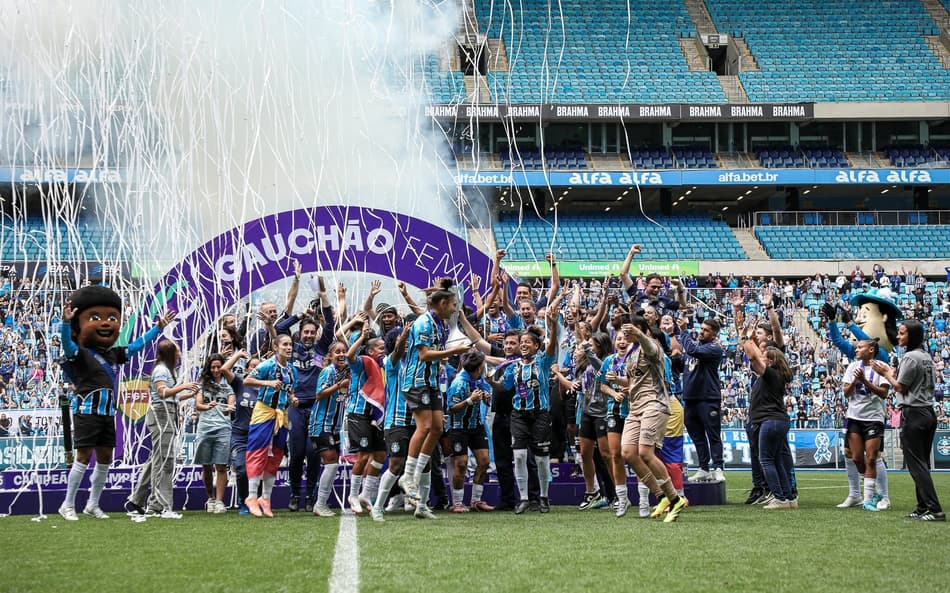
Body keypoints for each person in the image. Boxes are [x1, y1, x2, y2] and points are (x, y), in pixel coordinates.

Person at [57, 285, 174, 521]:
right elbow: (67, 345)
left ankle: (93, 504)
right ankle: (67, 505)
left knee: (105, 458)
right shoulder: (79, 353)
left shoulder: (113, 354)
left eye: (112, 318)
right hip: (86, 411)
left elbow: (137, 346)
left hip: (107, 412)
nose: (106, 324)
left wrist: (157, 329)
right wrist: (65, 323)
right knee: (83, 457)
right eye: (96, 318)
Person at [399, 279, 471, 506]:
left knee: (438, 428)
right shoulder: (424, 323)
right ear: (441, 304)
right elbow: (424, 354)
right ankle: (408, 476)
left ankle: (415, 474)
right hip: (416, 381)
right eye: (452, 305)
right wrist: (454, 350)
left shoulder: (438, 322)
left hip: (431, 382)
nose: (454, 309)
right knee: (426, 427)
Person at [614, 317, 687, 523]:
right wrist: (616, 380)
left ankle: (676, 498)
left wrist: (639, 334)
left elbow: (648, 345)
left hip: (654, 403)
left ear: (643, 330)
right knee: (627, 453)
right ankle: (661, 495)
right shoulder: (629, 355)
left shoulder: (651, 346)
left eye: (634, 330)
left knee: (645, 452)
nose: (627, 334)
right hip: (635, 408)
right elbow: (632, 381)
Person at [493, 297, 561, 514]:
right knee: (519, 456)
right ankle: (523, 498)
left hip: (540, 414)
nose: (522, 346)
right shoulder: (513, 367)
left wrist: (552, 324)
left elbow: (552, 346)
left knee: (541, 459)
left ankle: (543, 497)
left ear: (536, 346)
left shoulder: (543, 361)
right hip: (519, 415)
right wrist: (489, 382)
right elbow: (504, 387)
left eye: (526, 343)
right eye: (521, 343)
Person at [872, 320, 945, 521]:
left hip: (914, 413)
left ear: (911, 336)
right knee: (922, 463)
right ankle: (922, 507)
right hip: (927, 411)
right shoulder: (926, 356)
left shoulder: (910, 357)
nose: (898, 336)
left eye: (903, 333)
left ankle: (934, 509)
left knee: (916, 464)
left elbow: (900, 387)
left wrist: (885, 373)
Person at [126, 340, 199, 519]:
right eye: (178, 352)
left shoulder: (165, 370)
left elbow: (168, 396)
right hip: (161, 416)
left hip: (165, 413)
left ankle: (138, 499)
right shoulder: (161, 370)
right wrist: (184, 386)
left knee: (157, 459)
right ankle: (160, 504)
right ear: (170, 354)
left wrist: (186, 395)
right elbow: (162, 393)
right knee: (165, 460)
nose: (180, 355)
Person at [242, 334, 298, 517]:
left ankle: (265, 498)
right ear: (276, 347)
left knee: (276, 455)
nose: (288, 348)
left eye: (290, 345)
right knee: (257, 452)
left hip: (282, 414)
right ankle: (251, 496)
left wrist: (293, 399)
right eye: (285, 345)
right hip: (264, 411)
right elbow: (247, 380)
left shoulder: (292, 370)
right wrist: (267, 382)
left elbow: (290, 391)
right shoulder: (267, 365)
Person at [741, 326, 796, 510]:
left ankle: (779, 498)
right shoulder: (777, 375)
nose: (762, 358)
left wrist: (745, 338)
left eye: (765, 357)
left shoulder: (771, 374)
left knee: (766, 460)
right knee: (778, 461)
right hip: (778, 421)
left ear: (771, 361)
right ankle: (789, 498)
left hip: (770, 421)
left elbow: (753, 357)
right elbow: (755, 356)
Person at [841, 339, 889, 512]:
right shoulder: (852, 367)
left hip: (873, 418)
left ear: (871, 349)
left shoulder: (882, 366)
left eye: (860, 347)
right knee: (856, 458)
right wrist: (855, 381)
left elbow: (884, 393)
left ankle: (870, 499)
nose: (856, 349)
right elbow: (846, 393)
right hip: (854, 417)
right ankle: (871, 492)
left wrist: (865, 381)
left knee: (871, 457)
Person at [344, 324, 387, 515]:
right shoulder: (362, 361)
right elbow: (349, 356)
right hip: (358, 413)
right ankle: (353, 495)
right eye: (380, 348)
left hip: (376, 416)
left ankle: (365, 495)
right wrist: (361, 337)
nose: (383, 351)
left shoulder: (383, 366)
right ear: (370, 350)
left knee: (379, 456)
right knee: (362, 456)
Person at [445, 349, 494, 513]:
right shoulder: (459, 383)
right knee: (461, 463)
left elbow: (486, 397)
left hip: (476, 426)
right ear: (479, 367)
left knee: (484, 461)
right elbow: (451, 408)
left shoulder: (479, 380)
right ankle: (457, 502)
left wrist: (486, 399)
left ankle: (476, 500)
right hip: (459, 428)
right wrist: (470, 401)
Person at [678, 316, 725, 483]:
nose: (702, 332)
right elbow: (683, 363)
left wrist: (683, 330)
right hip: (690, 399)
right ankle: (703, 468)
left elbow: (692, 351)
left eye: (706, 330)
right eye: (702, 328)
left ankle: (718, 467)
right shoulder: (694, 347)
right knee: (697, 436)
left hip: (708, 398)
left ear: (713, 335)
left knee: (713, 434)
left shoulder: (714, 348)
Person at [309, 341, 349, 517]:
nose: (341, 354)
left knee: (333, 463)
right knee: (331, 461)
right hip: (321, 424)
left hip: (337, 427)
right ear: (330, 356)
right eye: (337, 352)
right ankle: (320, 503)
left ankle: (321, 502)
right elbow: (319, 394)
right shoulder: (328, 372)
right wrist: (340, 385)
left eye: (344, 352)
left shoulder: (347, 373)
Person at [195, 353, 235, 514]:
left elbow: (232, 403)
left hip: (223, 428)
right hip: (205, 428)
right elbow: (198, 405)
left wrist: (228, 409)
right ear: (208, 368)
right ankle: (210, 498)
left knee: (221, 466)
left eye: (219, 366)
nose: (216, 370)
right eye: (213, 367)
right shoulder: (203, 384)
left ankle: (219, 501)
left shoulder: (228, 384)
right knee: (206, 466)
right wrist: (208, 406)